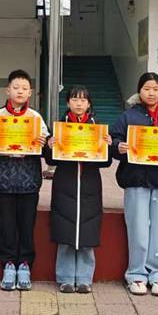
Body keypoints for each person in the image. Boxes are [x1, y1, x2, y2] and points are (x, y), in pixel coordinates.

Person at [110, 72, 158, 297]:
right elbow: (112, 140)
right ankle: (136, 274)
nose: (151, 93)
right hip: (136, 179)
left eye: (155, 89)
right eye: (146, 89)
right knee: (137, 228)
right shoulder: (129, 116)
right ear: (139, 91)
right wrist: (118, 147)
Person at [0, 70, 49, 291]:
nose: (20, 91)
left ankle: (25, 265)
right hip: (4, 182)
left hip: (29, 182)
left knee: (27, 227)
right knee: (7, 226)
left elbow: (47, 150)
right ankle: (8, 265)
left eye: (24, 88)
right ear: (7, 90)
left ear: (30, 92)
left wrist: (45, 143)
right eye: (16, 87)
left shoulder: (36, 119)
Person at [45, 86, 112, 294]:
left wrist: (107, 147)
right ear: (68, 103)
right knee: (65, 232)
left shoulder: (97, 128)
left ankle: (84, 278)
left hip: (90, 185)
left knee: (87, 233)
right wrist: (49, 146)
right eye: (74, 99)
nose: (79, 103)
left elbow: (106, 162)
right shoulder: (59, 127)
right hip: (65, 185)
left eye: (83, 100)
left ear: (89, 104)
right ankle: (65, 278)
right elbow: (50, 160)